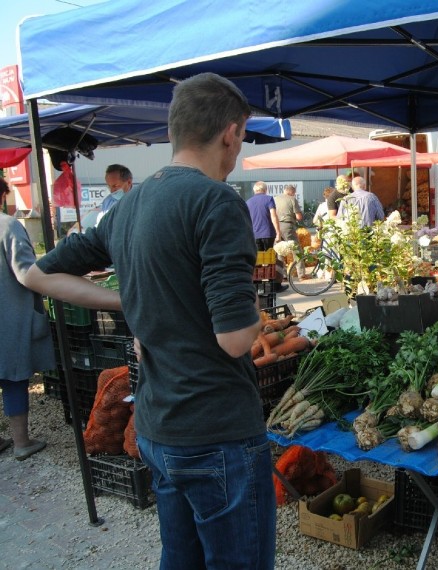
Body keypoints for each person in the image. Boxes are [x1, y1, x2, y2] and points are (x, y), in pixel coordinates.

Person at [25, 73, 276, 569]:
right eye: (241, 139)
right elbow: (234, 339)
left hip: (159, 429)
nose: (238, 150)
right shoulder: (217, 200)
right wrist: (252, 314)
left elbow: (39, 275)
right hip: (217, 430)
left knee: (180, 561)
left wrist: (130, 303)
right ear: (229, 133)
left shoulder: (129, 204)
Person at [0, 178, 55, 460]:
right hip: (8, 316)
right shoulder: (8, 226)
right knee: (14, 379)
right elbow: (26, 272)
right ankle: (21, 441)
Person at [274, 184, 305, 278]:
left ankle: (281, 276)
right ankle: (301, 274)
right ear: (291, 192)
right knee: (297, 250)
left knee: (279, 250)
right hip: (287, 226)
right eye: (294, 193)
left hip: (276, 226)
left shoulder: (275, 199)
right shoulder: (292, 199)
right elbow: (298, 217)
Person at [247, 180, 281, 251]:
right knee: (269, 258)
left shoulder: (248, 202)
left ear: (254, 190)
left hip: (254, 234)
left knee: (258, 259)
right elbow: (273, 216)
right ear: (265, 190)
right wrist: (278, 232)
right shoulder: (269, 199)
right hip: (268, 233)